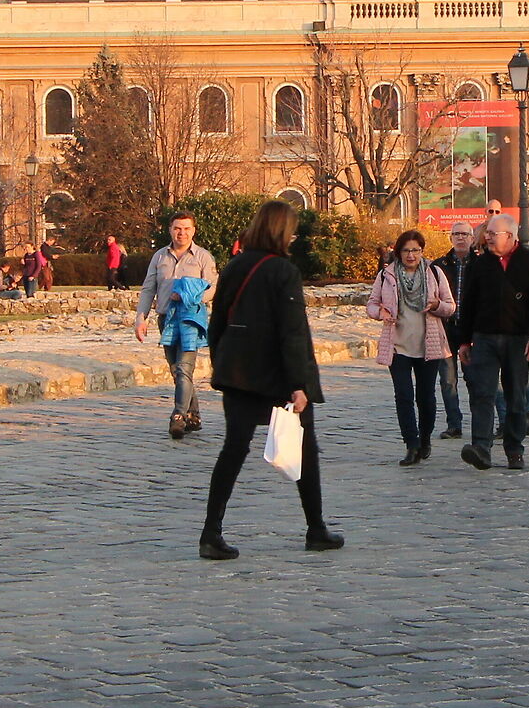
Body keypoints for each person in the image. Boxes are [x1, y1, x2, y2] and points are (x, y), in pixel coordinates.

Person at [201, 199, 341, 559]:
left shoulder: (234, 265)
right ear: (282, 231)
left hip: (238, 372)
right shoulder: (283, 271)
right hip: (277, 375)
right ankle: (315, 528)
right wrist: (300, 383)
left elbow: (216, 322)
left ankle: (210, 532)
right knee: (305, 449)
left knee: (233, 449)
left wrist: (222, 362)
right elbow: (292, 331)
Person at [447, 214, 529, 470]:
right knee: (482, 393)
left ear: (510, 236)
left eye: (493, 234)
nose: (488, 237)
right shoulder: (480, 264)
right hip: (484, 338)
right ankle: (481, 448)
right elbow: (468, 305)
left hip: (518, 340)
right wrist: (464, 341)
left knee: (516, 396)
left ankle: (514, 449)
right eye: (488, 233)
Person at [367, 230, 456, 464]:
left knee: (426, 397)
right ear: (399, 252)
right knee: (403, 396)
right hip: (398, 346)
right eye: (406, 250)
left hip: (428, 346)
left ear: (422, 251)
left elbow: (450, 306)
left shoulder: (434, 273)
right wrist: (380, 312)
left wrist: (436, 304)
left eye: (416, 250)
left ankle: (425, 438)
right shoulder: (386, 275)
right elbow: (372, 304)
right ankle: (411, 444)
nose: (411, 255)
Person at [135, 213, 221, 439]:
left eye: (186, 228)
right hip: (166, 319)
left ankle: (178, 416)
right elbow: (148, 288)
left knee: (184, 369)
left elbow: (212, 289)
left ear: (194, 231)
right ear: (170, 230)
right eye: (177, 228)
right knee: (177, 371)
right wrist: (140, 318)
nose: (181, 233)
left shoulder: (203, 257)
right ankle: (194, 415)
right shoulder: (159, 257)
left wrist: (189, 297)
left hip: (191, 320)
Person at [435, 223, 477, 440]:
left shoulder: (481, 264)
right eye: (456, 234)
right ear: (450, 238)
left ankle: (482, 423)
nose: (461, 238)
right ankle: (454, 424)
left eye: (465, 234)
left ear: (472, 238)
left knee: (475, 379)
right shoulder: (439, 266)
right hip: (447, 329)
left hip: (471, 331)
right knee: (448, 380)